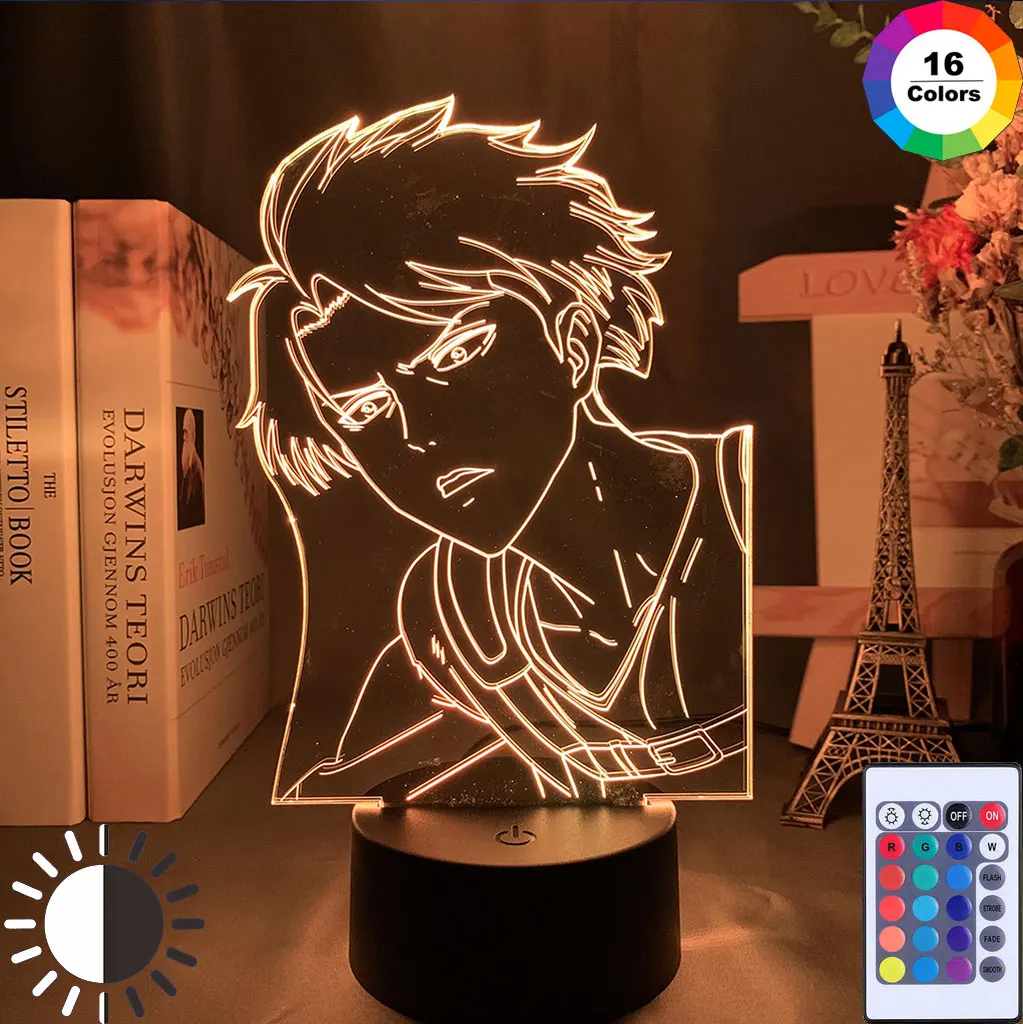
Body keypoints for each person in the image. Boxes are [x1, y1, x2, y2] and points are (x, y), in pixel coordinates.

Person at [231, 97, 752, 803]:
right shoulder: (450, 613)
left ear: (573, 343)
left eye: (456, 353)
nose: (418, 433)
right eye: (363, 409)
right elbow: (347, 781)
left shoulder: (743, 505)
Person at [178, 408, 205, 529]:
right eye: (183, 432)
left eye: (186, 432)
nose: (184, 437)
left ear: (192, 434)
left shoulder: (195, 463)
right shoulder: (187, 459)